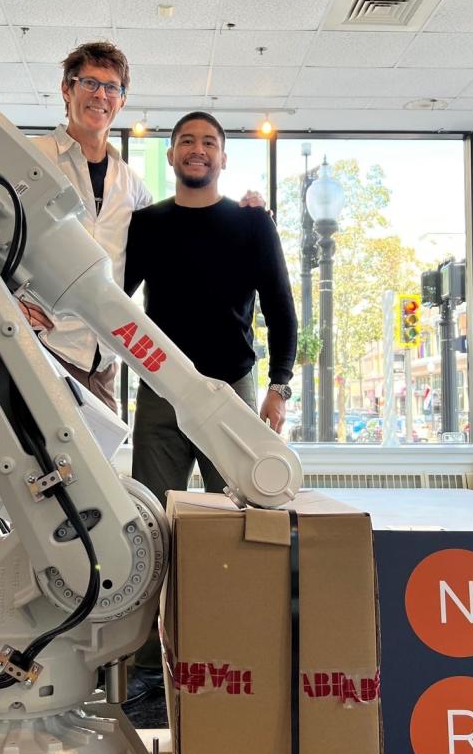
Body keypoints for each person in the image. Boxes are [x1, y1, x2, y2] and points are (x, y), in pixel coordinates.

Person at [124, 111, 298, 506]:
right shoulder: (147, 225)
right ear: (170, 155)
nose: (197, 149)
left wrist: (279, 388)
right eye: (186, 141)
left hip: (232, 391)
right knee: (152, 517)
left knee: (236, 517)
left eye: (208, 142)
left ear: (223, 158)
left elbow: (281, 311)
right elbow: (115, 298)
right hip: (161, 389)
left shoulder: (253, 224)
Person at [18, 40, 151, 412]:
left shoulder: (132, 184)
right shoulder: (32, 158)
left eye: (112, 87)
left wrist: (246, 209)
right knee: (41, 466)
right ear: (67, 88)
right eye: (89, 83)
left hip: (103, 358)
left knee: (98, 469)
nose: (100, 95)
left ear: (122, 100)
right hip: (44, 345)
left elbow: (166, 239)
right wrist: (11, 298)